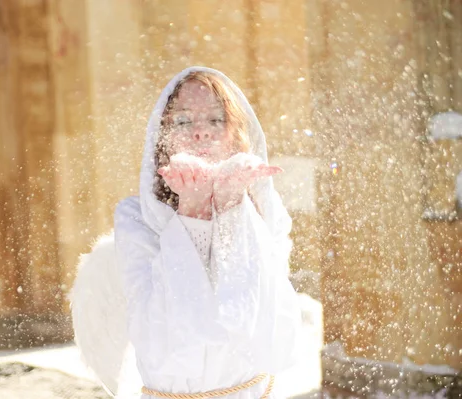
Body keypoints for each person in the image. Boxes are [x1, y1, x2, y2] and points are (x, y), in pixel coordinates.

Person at [71, 66, 301, 399]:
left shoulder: (264, 210)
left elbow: (254, 323)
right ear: (160, 139)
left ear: (237, 135)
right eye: (182, 121)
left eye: (215, 120)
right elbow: (173, 341)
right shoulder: (136, 219)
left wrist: (232, 209)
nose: (200, 133)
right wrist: (192, 215)